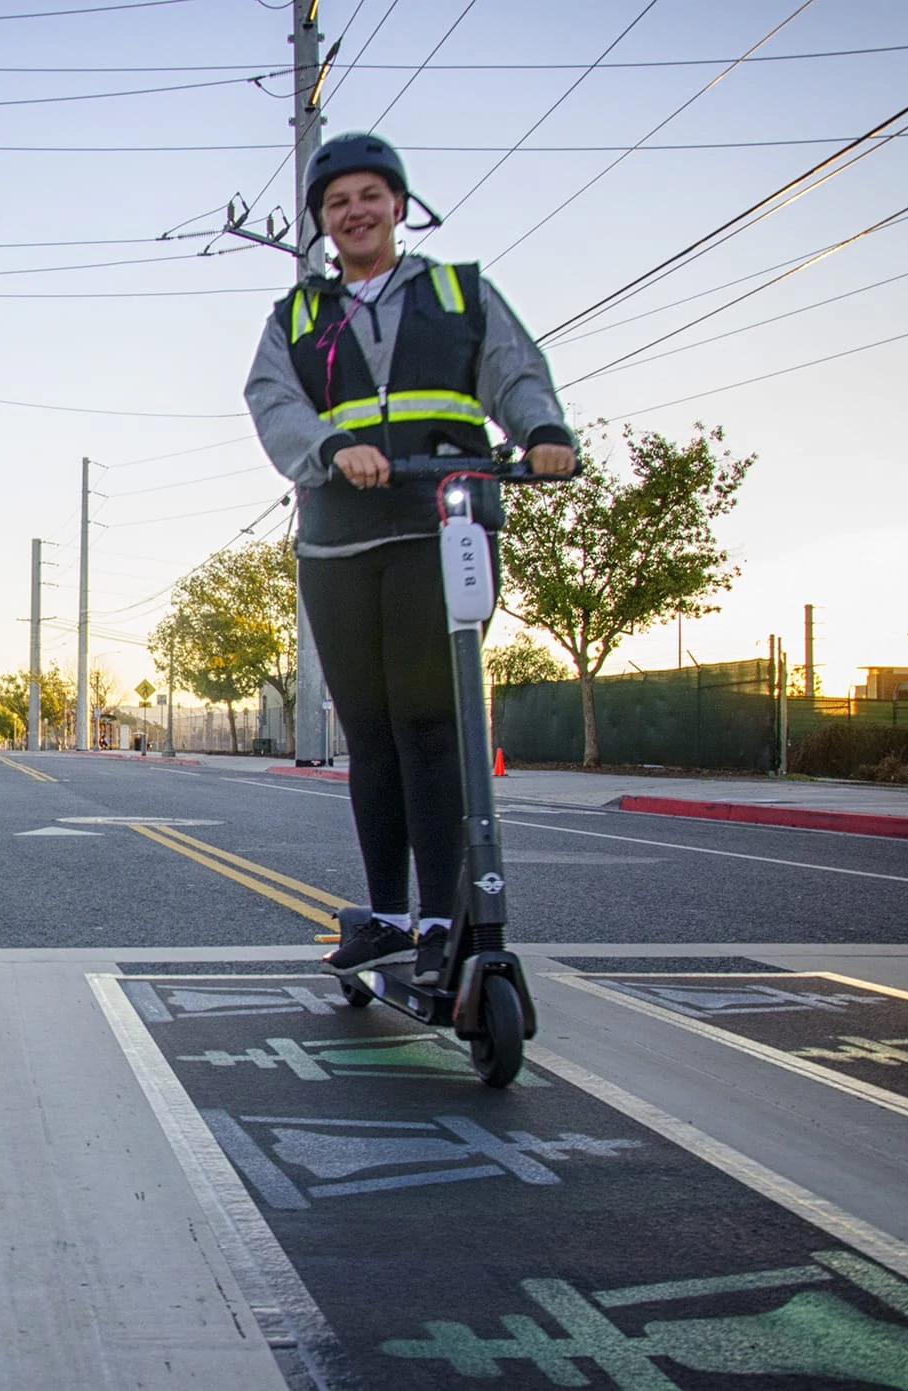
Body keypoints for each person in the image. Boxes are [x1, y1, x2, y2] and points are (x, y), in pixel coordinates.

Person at [244, 131, 576, 986]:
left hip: (441, 526)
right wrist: (328, 448)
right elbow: (271, 400)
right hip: (339, 540)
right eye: (336, 202)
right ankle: (387, 915)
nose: (354, 212)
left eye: (369, 196)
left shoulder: (461, 292)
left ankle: (441, 920)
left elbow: (514, 370)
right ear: (321, 222)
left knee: (431, 726)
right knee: (372, 736)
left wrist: (541, 432)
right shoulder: (300, 317)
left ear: (398, 204)